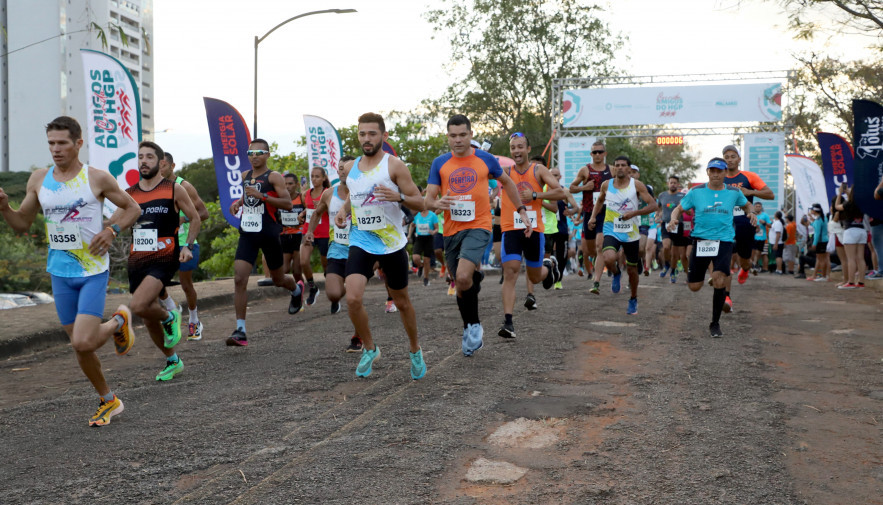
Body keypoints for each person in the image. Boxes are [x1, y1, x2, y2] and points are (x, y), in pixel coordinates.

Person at [0, 116, 141, 426]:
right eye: (51, 143)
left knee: (81, 341)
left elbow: (133, 207)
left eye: (62, 143)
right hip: (59, 273)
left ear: (78, 143)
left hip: (92, 270)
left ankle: (119, 321)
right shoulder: (38, 179)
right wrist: (5, 208)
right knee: (81, 347)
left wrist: (112, 230)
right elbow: (22, 223)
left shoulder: (97, 178)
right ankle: (109, 400)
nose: (56, 149)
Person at [425, 114, 531, 356]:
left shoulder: (485, 159)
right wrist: (437, 203)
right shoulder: (439, 163)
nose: (458, 140)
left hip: (479, 225)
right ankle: (469, 324)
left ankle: (474, 327)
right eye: (453, 136)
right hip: (452, 231)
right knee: (462, 285)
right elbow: (428, 201)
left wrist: (522, 211)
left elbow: (508, 184)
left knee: (462, 277)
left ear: (471, 135)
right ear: (448, 137)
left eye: (463, 135)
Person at [333, 112, 426, 378]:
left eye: (372, 133)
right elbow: (355, 194)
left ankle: (414, 350)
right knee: (352, 298)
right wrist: (343, 211)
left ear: (383, 136)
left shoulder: (394, 166)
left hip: (392, 245)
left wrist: (398, 197)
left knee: (403, 303)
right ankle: (370, 348)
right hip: (361, 240)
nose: (366, 138)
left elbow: (420, 204)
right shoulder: (352, 168)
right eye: (362, 133)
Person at [124, 141, 202, 382]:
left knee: (137, 306)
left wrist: (188, 246)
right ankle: (172, 360)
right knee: (147, 316)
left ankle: (170, 316)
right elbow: (117, 220)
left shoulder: (173, 189)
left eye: (149, 157)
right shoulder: (130, 193)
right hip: (138, 258)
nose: (144, 161)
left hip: (165, 254)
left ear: (160, 162)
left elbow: (196, 218)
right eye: (140, 157)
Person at [227, 139, 304, 346]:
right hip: (248, 233)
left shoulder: (274, 177)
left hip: (269, 232)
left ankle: (296, 290)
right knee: (239, 278)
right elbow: (248, 197)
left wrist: (263, 197)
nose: (254, 156)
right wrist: (238, 203)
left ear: (267, 155)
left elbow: (288, 204)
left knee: (278, 279)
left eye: (259, 152)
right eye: (251, 153)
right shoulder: (245, 176)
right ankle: (240, 330)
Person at [670, 158, 755, 337]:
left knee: (719, 279)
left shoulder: (733, 192)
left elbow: (747, 205)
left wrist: (751, 214)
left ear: (725, 173)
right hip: (701, 241)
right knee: (694, 286)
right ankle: (706, 277)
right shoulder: (696, 192)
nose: (716, 174)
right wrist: (673, 218)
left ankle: (715, 323)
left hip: (724, 241)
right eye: (712, 171)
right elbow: (678, 208)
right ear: (708, 172)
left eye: (719, 171)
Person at [497, 133, 565, 339]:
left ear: (528, 149)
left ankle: (549, 267)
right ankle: (508, 323)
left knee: (535, 277)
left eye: (520, 147)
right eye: (513, 148)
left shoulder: (539, 170)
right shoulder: (505, 172)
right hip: (510, 228)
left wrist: (536, 195)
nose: (516, 151)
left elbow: (560, 193)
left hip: (534, 229)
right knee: (511, 271)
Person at [587, 155, 658, 315]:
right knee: (608, 258)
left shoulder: (636, 185)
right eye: (617, 165)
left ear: (628, 169)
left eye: (623, 165)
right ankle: (617, 273)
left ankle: (633, 298)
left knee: (632, 271)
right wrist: (592, 217)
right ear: (614, 168)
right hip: (611, 228)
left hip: (630, 232)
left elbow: (653, 205)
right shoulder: (606, 185)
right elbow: (599, 201)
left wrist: (635, 213)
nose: (619, 167)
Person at [306, 157, 362, 351]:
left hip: (359, 250)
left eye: (348, 168)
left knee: (354, 299)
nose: (344, 172)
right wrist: (310, 231)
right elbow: (316, 213)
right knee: (333, 294)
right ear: (337, 172)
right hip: (337, 249)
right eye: (340, 169)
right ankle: (349, 289)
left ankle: (358, 337)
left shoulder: (363, 192)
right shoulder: (329, 194)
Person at [157, 152, 210, 340]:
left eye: (163, 165)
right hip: (162, 243)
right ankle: (173, 308)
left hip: (184, 243)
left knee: (186, 284)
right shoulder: (153, 187)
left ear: (172, 166)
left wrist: (182, 218)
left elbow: (204, 213)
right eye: (158, 165)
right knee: (153, 283)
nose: (159, 169)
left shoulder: (184, 185)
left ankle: (194, 320)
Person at [722, 145, 774, 308]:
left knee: (744, 260)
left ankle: (745, 268)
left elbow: (770, 194)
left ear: (739, 159)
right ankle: (726, 298)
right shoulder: (719, 178)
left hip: (745, 222)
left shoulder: (748, 176)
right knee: (726, 259)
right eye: (726, 157)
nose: (729, 159)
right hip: (725, 223)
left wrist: (750, 192)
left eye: (732, 156)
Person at [569, 140, 612, 288]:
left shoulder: (611, 170)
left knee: (600, 247)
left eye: (600, 152)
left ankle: (596, 281)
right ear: (591, 154)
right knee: (590, 250)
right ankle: (597, 261)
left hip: (606, 213)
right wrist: (585, 187)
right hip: (589, 212)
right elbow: (571, 188)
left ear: (605, 153)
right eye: (595, 152)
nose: (597, 154)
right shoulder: (585, 170)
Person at [300, 166, 331, 306]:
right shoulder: (306, 193)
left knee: (326, 265)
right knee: (303, 262)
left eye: (317, 176)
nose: (314, 179)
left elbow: (334, 210)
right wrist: (302, 214)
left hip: (324, 232)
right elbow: (308, 207)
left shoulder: (328, 193)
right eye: (312, 176)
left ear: (324, 178)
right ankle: (313, 288)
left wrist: (325, 206)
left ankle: (331, 286)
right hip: (308, 232)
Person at [655, 175, 688, 284]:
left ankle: (673, 271)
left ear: (678, 185)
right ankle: (667, 264)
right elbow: (658, 207)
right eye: (671, 182)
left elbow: (688, 211)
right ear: (668, 184)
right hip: (665, 224)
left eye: (675, 183)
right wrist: (657, 216)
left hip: (678, 225)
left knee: (675, 253)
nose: (673, 184)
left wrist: (683, 209)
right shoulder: (662, 195)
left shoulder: (682, 196)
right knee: (665, 247)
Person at [834, 184, 868, 289]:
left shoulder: (848, 203)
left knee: (851, 259)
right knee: (860, 258)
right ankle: (861, 282)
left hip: (850, 231)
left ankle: (851, 282)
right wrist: (849, 193)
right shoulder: (862, 203)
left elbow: (837, 207)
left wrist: (840, 193)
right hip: (862, 230)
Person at [279, 172, 306, 290]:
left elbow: (310, 213)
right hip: (284, 235)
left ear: (296, 184)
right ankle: (295, 291)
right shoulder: (280, 199)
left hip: (298, 236)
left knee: (296, 270)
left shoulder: (302, 198)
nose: (288, 186)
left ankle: (303, 290)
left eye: (290, 184)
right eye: (285, 184)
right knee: (284, 270)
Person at [410, 191, 439, 287]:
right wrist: (409, 235)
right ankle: (420, 266)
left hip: (428, 239)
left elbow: (437, 229)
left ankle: (426, 278)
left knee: (427, 260)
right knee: (415, 258)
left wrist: (433, 232)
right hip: (419, 239)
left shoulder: (432, 215)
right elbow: (412, 225)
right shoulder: (417, 215)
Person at [629, 164, 654, 276]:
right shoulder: (621, 188)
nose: (632, 174)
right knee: (627, 251)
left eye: (634, 172)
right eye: (629, 172)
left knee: (640, 248)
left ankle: (639, 260)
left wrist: (643, 210)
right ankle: (632, 271)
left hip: (642, 220)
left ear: (638, 175)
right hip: (627, 221)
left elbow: (652, 204)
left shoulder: (646, 188)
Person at [751, 202, 771, 273]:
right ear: (754, 207)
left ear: (761, 207)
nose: (758, 207)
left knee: (759, 252)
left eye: (759, 206)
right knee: (752, 251)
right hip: (752, 236)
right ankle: (752, 265)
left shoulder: (765, 215)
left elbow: (770, 226)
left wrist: (764, 223)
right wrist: (754, 227)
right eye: (756, 206)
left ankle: (755, 264)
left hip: (762, 237)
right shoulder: (752, 215)